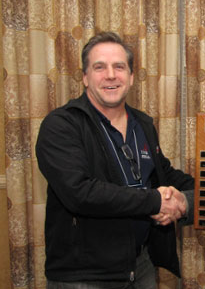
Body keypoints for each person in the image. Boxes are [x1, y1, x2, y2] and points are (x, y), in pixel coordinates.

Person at [36, 32, 194, 289]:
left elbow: (163, 174)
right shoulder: (61, 125)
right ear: (86, 77)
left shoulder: (142, 124)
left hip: (140, 265)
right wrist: (156, 201)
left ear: (131, 77)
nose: (111, 75)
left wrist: (204, 194)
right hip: (85, 276)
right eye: (100, 67)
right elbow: (80, 192)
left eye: (119, 67)